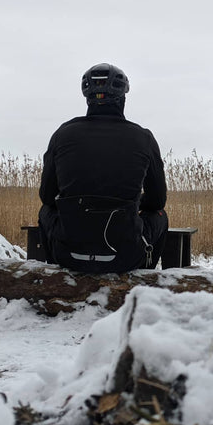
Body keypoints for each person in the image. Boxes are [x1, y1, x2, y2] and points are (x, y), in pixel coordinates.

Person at [38, 63, 168, 273]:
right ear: (123, 98)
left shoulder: (63, 134)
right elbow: (158, 201)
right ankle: (145, 274)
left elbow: (47, 196)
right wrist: (134, 203)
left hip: (67, 255)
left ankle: (54, 271)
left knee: (46, 210)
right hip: (126, 257)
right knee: (159, 215)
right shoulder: (144, 138)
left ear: (87, 98)